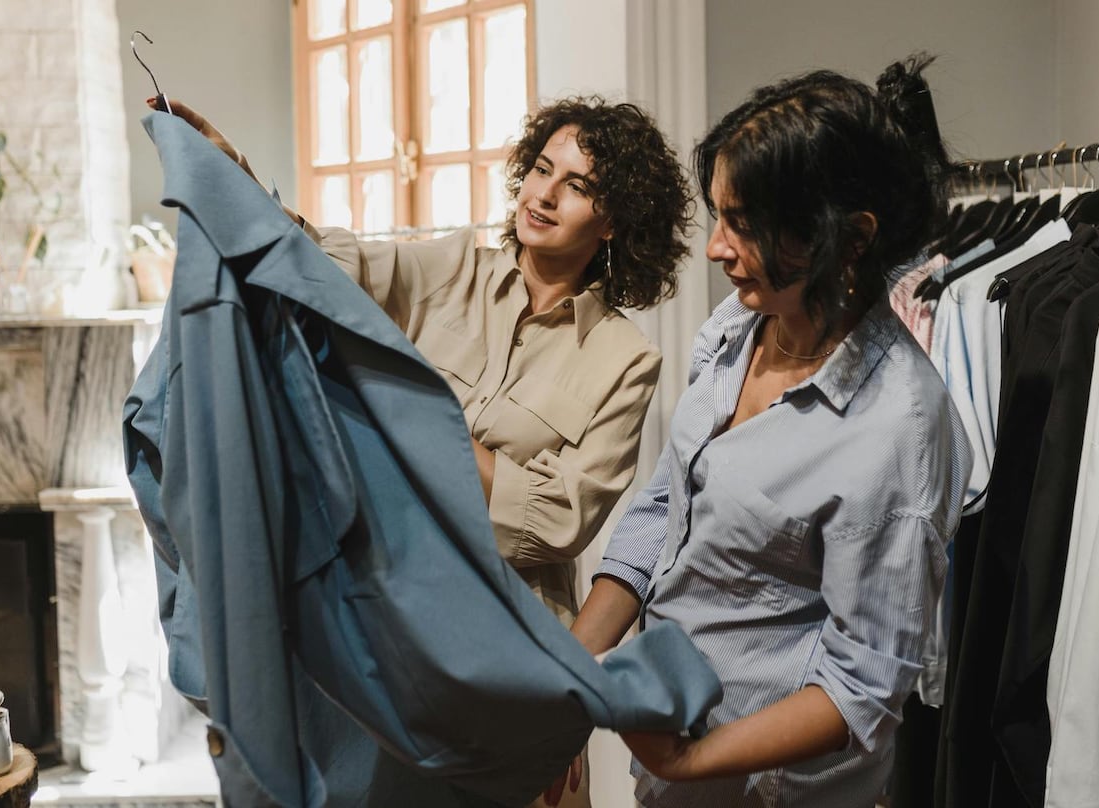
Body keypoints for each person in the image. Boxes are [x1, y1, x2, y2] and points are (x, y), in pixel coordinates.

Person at [156, 95, 695, 807]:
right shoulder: (449, 269)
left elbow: (560, 520)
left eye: (579, 185)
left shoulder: (627, 360)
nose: (545, 194)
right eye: (541, 169)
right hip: (397, 626)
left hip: (521, 652)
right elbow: (320, 264)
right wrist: (234, 176)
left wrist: (413, 427)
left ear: (615, 220)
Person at [567, 55, 972, 807]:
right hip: (675, 777)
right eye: (719, 215)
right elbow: (666, 506)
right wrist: (570, 673)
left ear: (851, 240)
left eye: (745, 225)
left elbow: (864, 687)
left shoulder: (896, 430)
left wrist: (696, 762)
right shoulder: (738, 326)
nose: (716, 247)